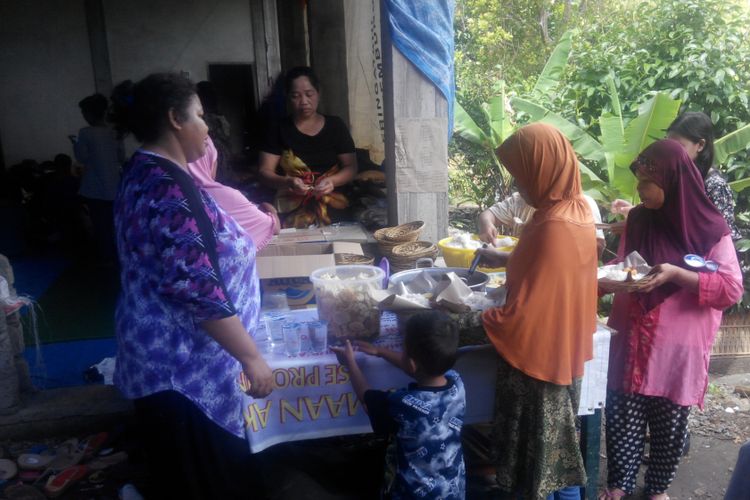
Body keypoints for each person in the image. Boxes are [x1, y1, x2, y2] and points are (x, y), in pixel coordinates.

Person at [109, 73, 273, 499]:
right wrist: (251, 357)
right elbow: (196, 290)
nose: (207, 127)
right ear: (174, 119)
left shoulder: (145, 171)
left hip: (170, 363)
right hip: (183, 374)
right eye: (199, 116)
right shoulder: (168, 189)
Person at [599, 139, 743, 500]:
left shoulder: (711, 229)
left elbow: (730, 289)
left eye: (647, 184)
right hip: (632, 333)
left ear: (671, 180)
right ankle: (619, 484)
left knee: (669, 420)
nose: (640, 192)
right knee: (623, 412)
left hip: (676, 344)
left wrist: (677, 275)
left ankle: (658, 488)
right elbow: (626, 264)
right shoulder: (638, 218)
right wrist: (603, 277)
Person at [461, 123, 598, 499]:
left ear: (544, 169)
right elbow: (550, 278)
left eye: (522, 176)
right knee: (559, 456)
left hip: (538, 360)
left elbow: (525, 316)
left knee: (540, 465)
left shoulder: (554, 224)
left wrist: (466, 322)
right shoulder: (575, 210)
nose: (519, 186)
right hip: (562, 346)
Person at [331, 311, 466, 500]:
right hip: (451, 487)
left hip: (412, 492)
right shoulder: (457, 382)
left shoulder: (403, 403)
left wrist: (350, 363)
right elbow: (419, 370)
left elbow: (367, 399)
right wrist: (380, 352)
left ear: (411, 363)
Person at [611, 112, 741, 240]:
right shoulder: (671, 179)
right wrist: (637, 214)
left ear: (700, 145)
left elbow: (724, 236)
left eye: (679, 146)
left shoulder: (715, 186)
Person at [258, 66, 358, 228]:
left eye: (309, 94)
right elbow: (264, 172)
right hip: (292, 213)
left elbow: (351, 167)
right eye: (296, 96)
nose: (304, 101)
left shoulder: (336, 126)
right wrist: (288, 182)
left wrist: (332, 181)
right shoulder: (278, 129)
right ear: (288, 98)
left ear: (318, 93)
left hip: (336, 211)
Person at [187, 136, 280, 251]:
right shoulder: (224, 196)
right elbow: (273, 227)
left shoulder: (174, 195)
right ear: (210, 161)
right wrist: (271, 210)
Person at [72, 93, 124, 264]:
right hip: (115, 186)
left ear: (88, 114)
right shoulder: (113, 132)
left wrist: (75, 144)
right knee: (115, 226)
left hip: (95, 189)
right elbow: (121, 156)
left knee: (100, 228)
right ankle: (118, 258)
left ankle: (105, 260)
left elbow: (82, 158)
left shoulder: (85, 133)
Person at [478, 190, 606, 257]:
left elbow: (594, 251)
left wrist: (505, 259)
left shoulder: (582, 205)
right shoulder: (520, 200)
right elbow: (487, 215)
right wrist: (487, 225)